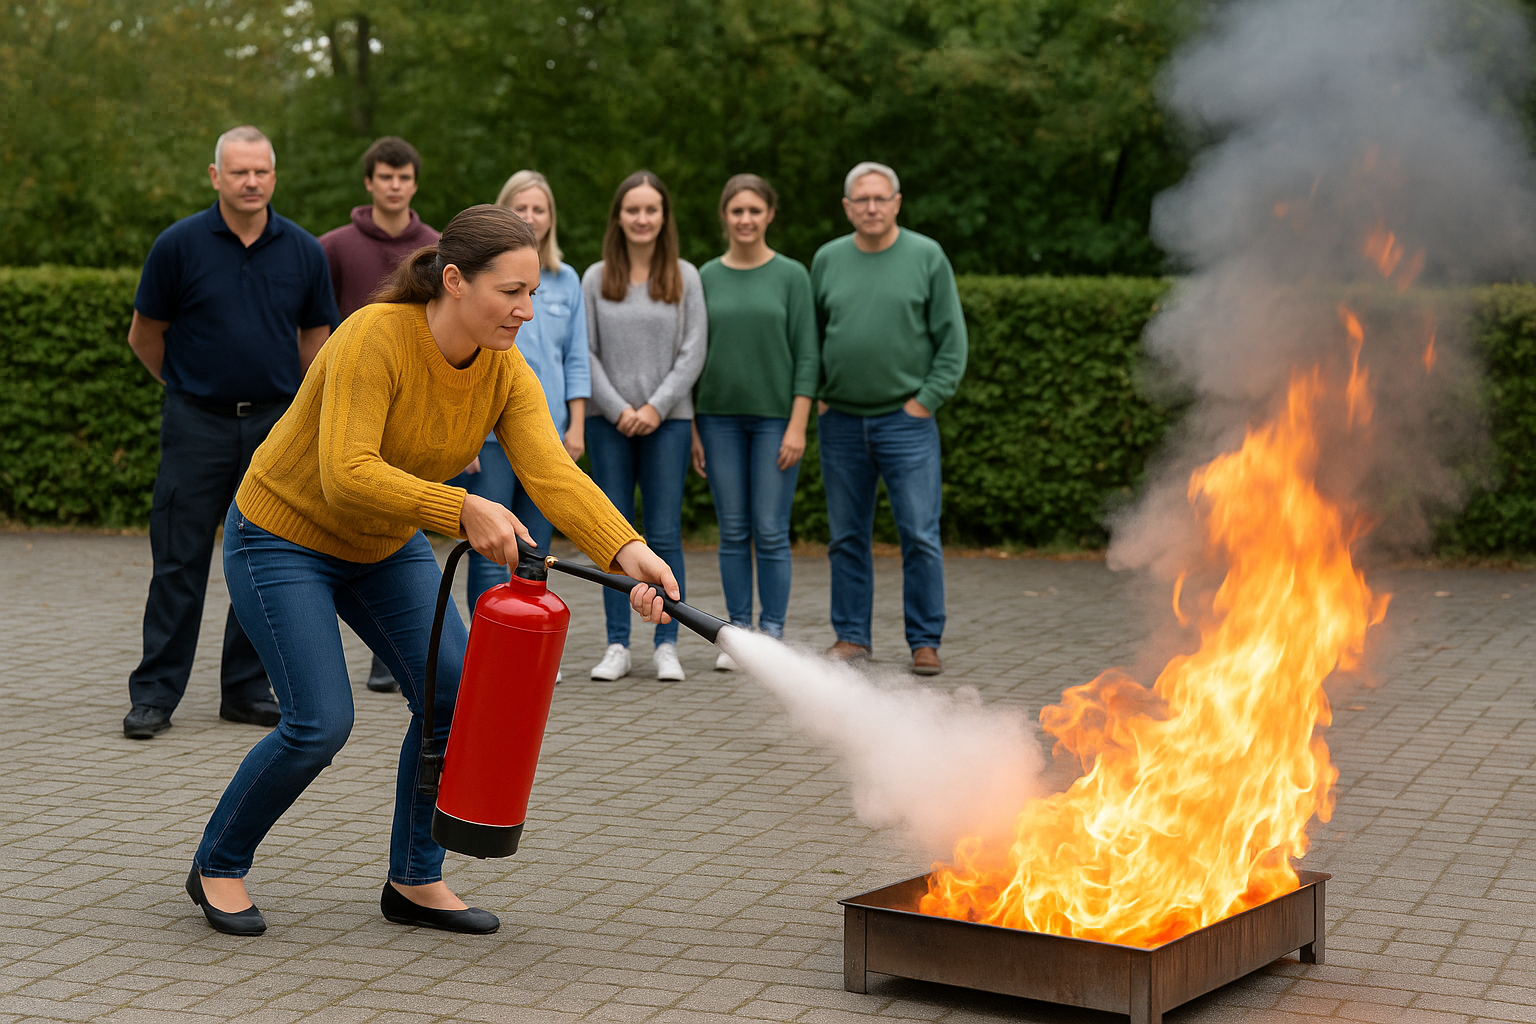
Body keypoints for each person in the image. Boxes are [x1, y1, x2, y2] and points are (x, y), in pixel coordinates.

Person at [187, 205, 681, 938]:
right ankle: (217, 864)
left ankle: (414, 878)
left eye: (532, 291)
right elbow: (345, 471)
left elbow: (552, 475)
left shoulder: (503, 369)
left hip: (384, 546)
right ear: (453, 280)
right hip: (283, 536)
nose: (525, 308)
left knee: (453, 695)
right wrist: (462, 509)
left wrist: (627, 549)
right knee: (321, 721)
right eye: (509, 291)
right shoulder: (374, 339)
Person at [123, 126, 340, 740]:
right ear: (215, 176)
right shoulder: (178, 246)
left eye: (261, 171)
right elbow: (146, 335)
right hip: (196, 424)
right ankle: (155, 696)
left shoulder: (302, 251)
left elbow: (314, 345)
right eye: (239, 172)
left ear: (275, 175)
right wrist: (188, 388)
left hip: (275, 425)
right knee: (178, 562)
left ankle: (245, 691)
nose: (251, 182)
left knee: (263, 559)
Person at [811, 162, 968, 676]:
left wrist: (924, 401)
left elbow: (952, 342)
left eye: (881, 198)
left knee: (919, 533)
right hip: (841, 422)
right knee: (846, 536)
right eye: (862, 200)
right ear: (847, 207)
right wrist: (817, 396)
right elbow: (810, 338)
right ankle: (852, 637)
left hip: (907, 422)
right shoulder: (828, 259)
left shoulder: (927, 256)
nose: (872, 208)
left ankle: (925, 641)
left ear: (897, 202)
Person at [320, 136, 441, 695]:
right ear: (369, 182)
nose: (394, 184)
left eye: (404, 176)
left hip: (412, 415)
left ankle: (388, 654)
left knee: (396, 528)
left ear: (415, 183)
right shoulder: (334, 246)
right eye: (384, 176)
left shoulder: (440, 248)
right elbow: (317, 326)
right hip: (351, 405)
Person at [582, 171, 706, 683]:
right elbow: (583, 352)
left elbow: (693, 350)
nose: (641, 218)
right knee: (612, 534)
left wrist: (655, 406)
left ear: (663, 217)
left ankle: (666, 641)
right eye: (632, 209)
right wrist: (618, 408)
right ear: (618, 216)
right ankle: (617, 644)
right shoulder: (595, 277)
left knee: (663, 531)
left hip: (668, 423)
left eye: (651, 209)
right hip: (609, 424)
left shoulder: (685, 276)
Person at [692, 175, 817, 670]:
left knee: (770, 531)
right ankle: (738, 635)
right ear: (725, 216)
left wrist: (798, 424)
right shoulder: (705, 277)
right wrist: (697, 429)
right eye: (737, 211)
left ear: (769, 215)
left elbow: (808, 354)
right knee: (732, 530)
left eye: (755, 211)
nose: (745, 220)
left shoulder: (792, 276)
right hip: (717, 420)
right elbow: (694, 356)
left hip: (775, 423)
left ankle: (773, 634)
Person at [450, 170, 589, 613]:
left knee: (535, 550)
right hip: (487, 435)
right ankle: (484, 639)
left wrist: (577, 426)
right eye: (520, 208)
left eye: (539, 208)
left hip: (547, 430)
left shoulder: (568, 280)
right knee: (492, 548)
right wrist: (461, 437)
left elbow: (577, 357)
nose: (530, 216)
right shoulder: (477, 288)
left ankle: (525, 634)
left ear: (552, 216)